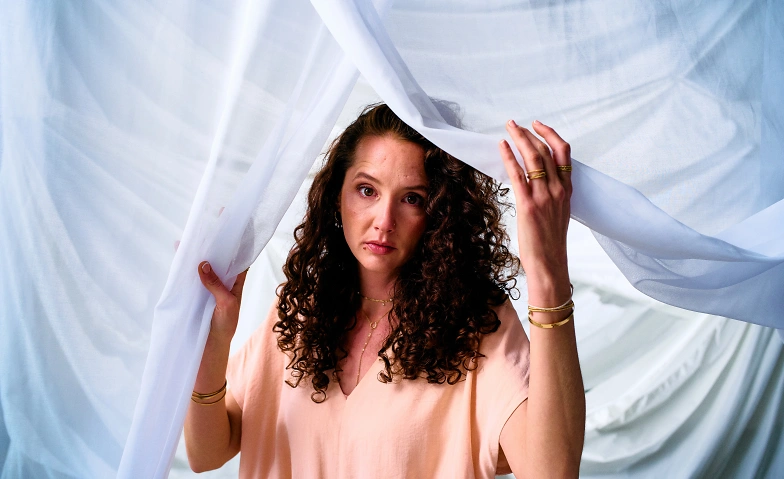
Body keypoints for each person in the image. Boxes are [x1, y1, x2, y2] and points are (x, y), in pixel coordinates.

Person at [184, 104, 585, 478]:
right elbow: (206, 453)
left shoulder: (477, 325)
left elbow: (550, 472)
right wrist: (215, 341)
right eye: (367, 190)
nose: (384, 220)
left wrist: (548, 274)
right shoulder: (303, 308)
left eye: (412, 198)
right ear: (336, 195)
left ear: (440, 213)